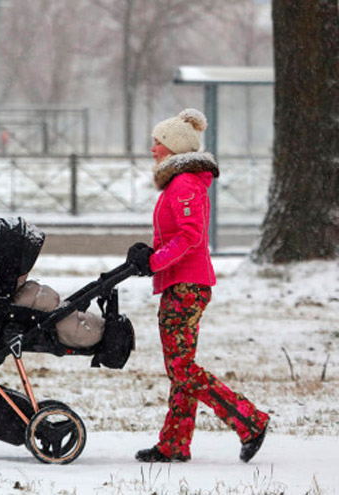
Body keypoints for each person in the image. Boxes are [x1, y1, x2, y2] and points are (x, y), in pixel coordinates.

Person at [126, 108, 269, 463]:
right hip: (179, 283)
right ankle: (174, 443)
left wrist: (155, 261)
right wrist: (150, 255)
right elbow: (176, 234)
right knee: (181, 366)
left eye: (158, 142)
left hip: (186, 285)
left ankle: (249, 420)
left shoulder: (185, 184)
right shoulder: (179, 183)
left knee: (182, 368)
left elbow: (191, 236)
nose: (153, 148)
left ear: (174, 148)